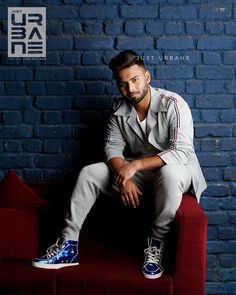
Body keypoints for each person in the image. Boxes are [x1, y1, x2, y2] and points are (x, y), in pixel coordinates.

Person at [32, 50, 207, 279]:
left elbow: (180, 151)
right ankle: (68, 245)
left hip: (178, 169)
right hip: (142, 172)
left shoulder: (174, 104)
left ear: (147, 77)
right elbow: (112, 148)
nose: (130, 89)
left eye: (134, 80)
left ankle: (156, 244)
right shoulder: (119, 108)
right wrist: (123, 178)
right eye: (123, 84)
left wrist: (132, 167)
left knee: (171, 173)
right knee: (90, 172)